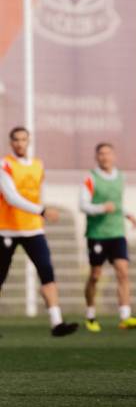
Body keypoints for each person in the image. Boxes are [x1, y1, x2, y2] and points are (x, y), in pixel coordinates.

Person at [0, 127, 77, 336]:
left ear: (29, 141)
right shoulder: (4, 164)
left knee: (46, 270)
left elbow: (36, 194)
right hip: (7, 229)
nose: (20, 143)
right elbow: (11, 197)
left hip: (33, 229)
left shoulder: (38, 165)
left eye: (23, 139)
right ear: (11, 142)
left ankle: (57, 322)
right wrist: (42, 210)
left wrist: (39, 212)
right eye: (16, 140)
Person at [80, 143, 136, 332]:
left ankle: (125, 317)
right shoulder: (91, 178)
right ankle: (91, 315)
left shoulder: (121, 177)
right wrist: (100, 208)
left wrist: (127, 213)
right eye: (101, 154)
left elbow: (116, 203)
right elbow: (82, 205)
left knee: (123, 271)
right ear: (96, 157)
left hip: (117, 232)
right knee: (95, 276)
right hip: (97, 234)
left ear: (114, 156)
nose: (104, 157)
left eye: (108, 153)